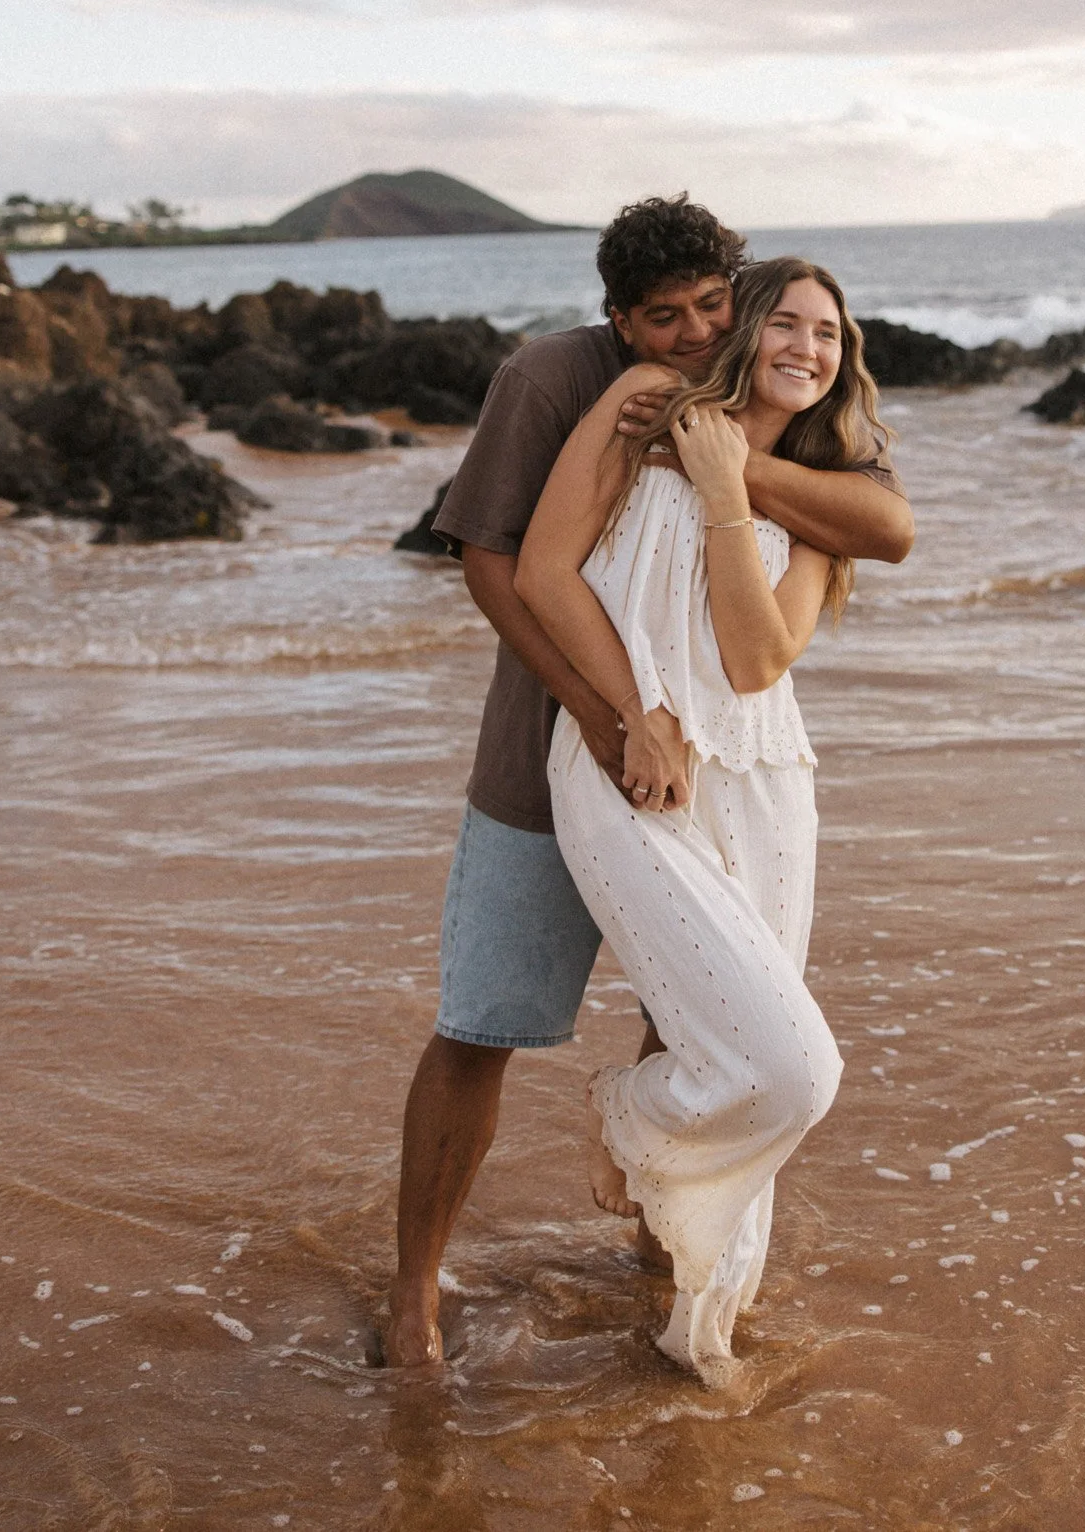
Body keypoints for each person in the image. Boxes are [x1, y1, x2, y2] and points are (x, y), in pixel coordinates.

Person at [385, 205, 913, 1368]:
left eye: (709, 305)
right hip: (552, 749)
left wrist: (735, 470)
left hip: (720, 772)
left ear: (739, 290)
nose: (688, 332)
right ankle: (414, 1292)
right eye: (659, 316)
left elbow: (879, 527)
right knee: (485, 1020)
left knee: (691, 1022)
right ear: (616, 319)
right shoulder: (563, 381)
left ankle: (664, 1266)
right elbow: (496, 561)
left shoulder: (786, 407)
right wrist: (616, 715)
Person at [515, 257, 888, 1381]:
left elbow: (755, 655)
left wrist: (731, 489)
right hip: (634, 775)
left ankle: (697, 1331)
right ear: (743, 329)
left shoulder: (818, 494)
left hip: (767, 780)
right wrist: (635, 712)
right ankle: (627, 1107)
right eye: (785, 319)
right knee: (789, 1064)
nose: (807, 347)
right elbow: (541, 573)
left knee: (766, 1065)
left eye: (829, 334)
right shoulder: (639, 411)